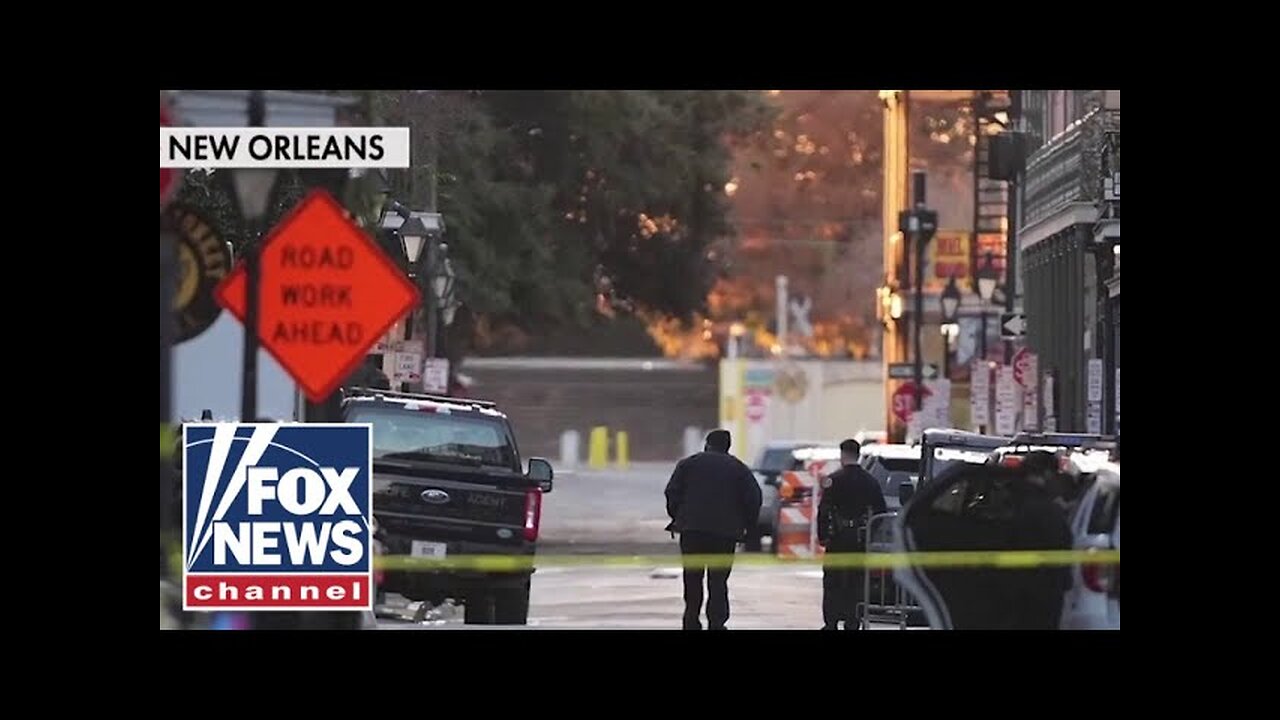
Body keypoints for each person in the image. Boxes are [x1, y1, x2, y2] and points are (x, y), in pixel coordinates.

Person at [664, 429, 762, 630]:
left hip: (692, 531)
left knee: (692, 578)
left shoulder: (688, 464)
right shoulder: (739, 468)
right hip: (724, 534)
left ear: (707, 444)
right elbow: (754, 498)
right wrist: (746, 526)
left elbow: (672, 492)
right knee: (718, 581)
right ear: (728, 446)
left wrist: (679, 517)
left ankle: (691, 620)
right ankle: (717, 623)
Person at [817, 439, 887, 630]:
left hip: (837, 539)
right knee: (857, 581)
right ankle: (852, 620)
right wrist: (872, 535)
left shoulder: (833, 480)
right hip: (860, 539)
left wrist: (822, 535)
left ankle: (831, 622)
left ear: (842, 455)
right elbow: (881, 510)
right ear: (858, 454)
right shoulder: (870, 481)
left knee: (833, 580)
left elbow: (824, 510)